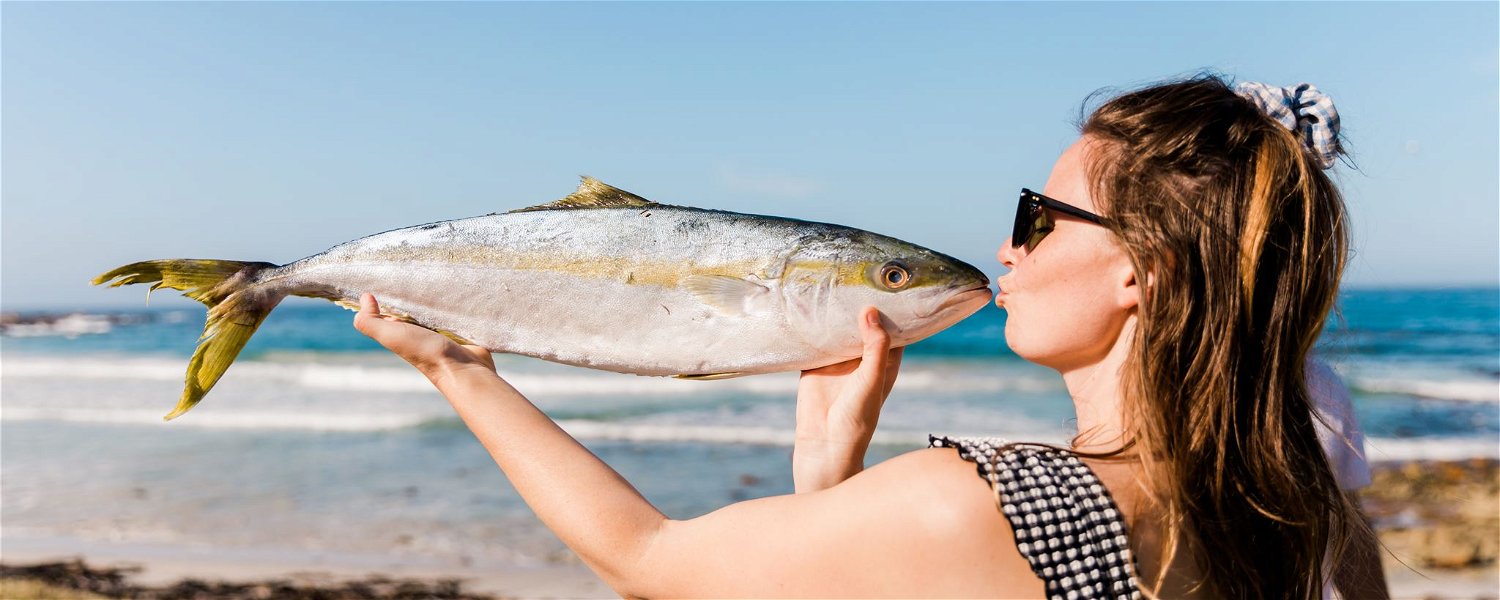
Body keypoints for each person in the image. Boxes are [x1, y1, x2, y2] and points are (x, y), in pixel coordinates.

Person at [354, 75, 1374, 598]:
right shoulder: (1299, 510)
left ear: (1139, 271)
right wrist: (827, 487)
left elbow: (649, 564)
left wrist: (458, 368)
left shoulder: (990, 503)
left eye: (1037, 216)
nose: (1006, 252)